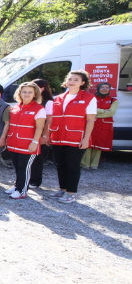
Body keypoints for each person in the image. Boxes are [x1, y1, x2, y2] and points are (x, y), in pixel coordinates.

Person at [48, 70, 97, 203]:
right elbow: (53, 118)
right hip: (58, 137)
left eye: (76, 79)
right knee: (60, 165)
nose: (72, 81)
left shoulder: (89, 98)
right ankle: (63, 189)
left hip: (76, 138)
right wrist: (48, 135)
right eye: (70, 79)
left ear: (82, 83)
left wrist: (86, 138)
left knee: (72, 165)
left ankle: (71, 192)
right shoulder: (58, 98)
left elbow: (90, 120)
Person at [4, 82, 46, 199]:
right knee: (17, 166)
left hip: (28, 145)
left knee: (24, 168)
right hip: (14, 143)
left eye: (30, 92)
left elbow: (39, 127)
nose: (27, 94)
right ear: (20, 93)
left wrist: (35, 142)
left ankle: (22, 190)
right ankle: (17, 185)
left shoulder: (39, 109)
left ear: (35, 94)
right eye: (24, 92)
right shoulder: (15, 108)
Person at [81, 82, 117, 169]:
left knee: (99, 146)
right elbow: (87, 110)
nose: (104, 89)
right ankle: (85, 164)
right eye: (102, 87)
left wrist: (97, 112)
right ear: (98, 88)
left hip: (104, 126)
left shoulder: (113, 100)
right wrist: (104, 111)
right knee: (88, 143)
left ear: (109, 89)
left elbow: (111, 112)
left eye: (107, 87)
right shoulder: (92, 98)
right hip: (91, 124)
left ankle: (94, 165)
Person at [28, 79, 54, 189]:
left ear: (42, 88)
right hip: (29, 132)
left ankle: (35, 180)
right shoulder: (30, 101)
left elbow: (49, 120)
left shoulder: (49, 102)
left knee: (37, 158)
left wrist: (45, 135)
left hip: (40, 134)